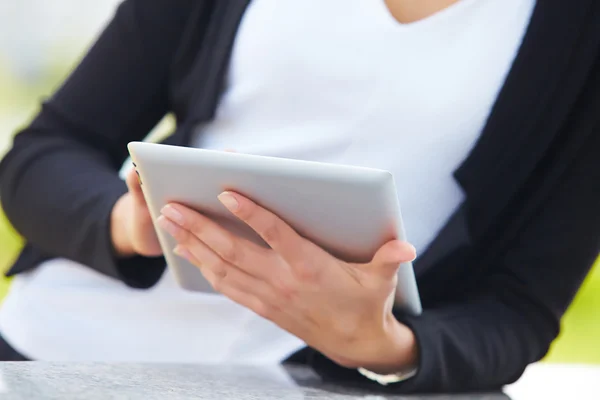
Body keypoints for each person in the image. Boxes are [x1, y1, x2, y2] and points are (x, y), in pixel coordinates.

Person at [0, 0, 598, 393]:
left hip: (302, 385)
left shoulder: (579, 35)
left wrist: (384, 346)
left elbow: (520, 306)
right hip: (56, 353)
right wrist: (130, 223)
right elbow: (42, 155)